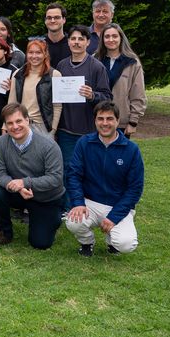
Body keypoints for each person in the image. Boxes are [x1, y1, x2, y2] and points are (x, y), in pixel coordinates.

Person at [65, 101, 144, 256]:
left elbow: (135, 189)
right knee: (73, 222)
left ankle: (112, 241)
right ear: (95, 121)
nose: (105, 123)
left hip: (117, 204)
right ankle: (87, 242)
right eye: (100, 119)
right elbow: (73, 175)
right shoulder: (84, 143)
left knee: (126, 244)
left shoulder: (131, 150)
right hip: (90, 202)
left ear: (117, 121)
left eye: (109, 119)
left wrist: (114, 217)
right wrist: (78, 203)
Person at [0, 104, 65, 250]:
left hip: (46, 197)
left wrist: (24, 182)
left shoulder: (48, 145)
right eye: (10, 123)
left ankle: (52, 218)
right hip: (19, 193)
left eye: (19, 121)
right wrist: (14, 186)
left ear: (28, 120)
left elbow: (55, 178)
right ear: (5, 126)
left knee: (40, 243)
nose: (15, 126)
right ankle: (3, 233)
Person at [56, 25, 112, 209]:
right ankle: (68, 207)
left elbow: (107, 97)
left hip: (88, 130)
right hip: (66, 129)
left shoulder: (97, 67)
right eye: (73, 39)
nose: (77, 42)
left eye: (81, 39)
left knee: (87, 171)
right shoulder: (62, 65)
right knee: (67, 170)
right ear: (68, 41)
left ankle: (92, 205)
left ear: (88, 43)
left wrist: (92, 95)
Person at [94, 24, 146, 137]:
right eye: (107, 36)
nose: (111, 39)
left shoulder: (132, 62)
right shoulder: (95, 60)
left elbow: (138, 94)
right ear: (102, 40)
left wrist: (133, 122)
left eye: (114, 36)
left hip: (121, 122)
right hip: (97, 121)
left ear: (121, 38)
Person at [9, 40, 62, 135]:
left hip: (43, 128)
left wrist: (53, 131)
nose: (34, 56)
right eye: (31, 52)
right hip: (21, 125)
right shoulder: (17, 74)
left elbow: (57, 106)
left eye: (38, 52)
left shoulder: (54, 75)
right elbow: (12, 104)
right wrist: (6, 126)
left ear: (45, 54)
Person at [40, 2, 71, 66]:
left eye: (57, 17)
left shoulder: (72, 43)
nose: (52, 21)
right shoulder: (38, 44)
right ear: (45, 21)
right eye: (49, 18)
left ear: (64, 20)